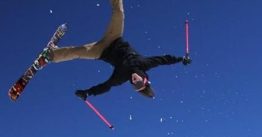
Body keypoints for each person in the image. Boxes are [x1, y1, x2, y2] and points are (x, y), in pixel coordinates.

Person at [48, 0, 190, 99]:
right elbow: (164, 60)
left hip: (100, 51)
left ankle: (52, 55)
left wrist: (88, 93)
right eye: (139, 83)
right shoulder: (145, 64)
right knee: (119, 13)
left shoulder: (121, 77)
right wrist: (180, 59)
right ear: (145, 80)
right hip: (114, 38)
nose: (135, 82)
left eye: (135, 86)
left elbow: (106, 86)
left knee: (77, 52)